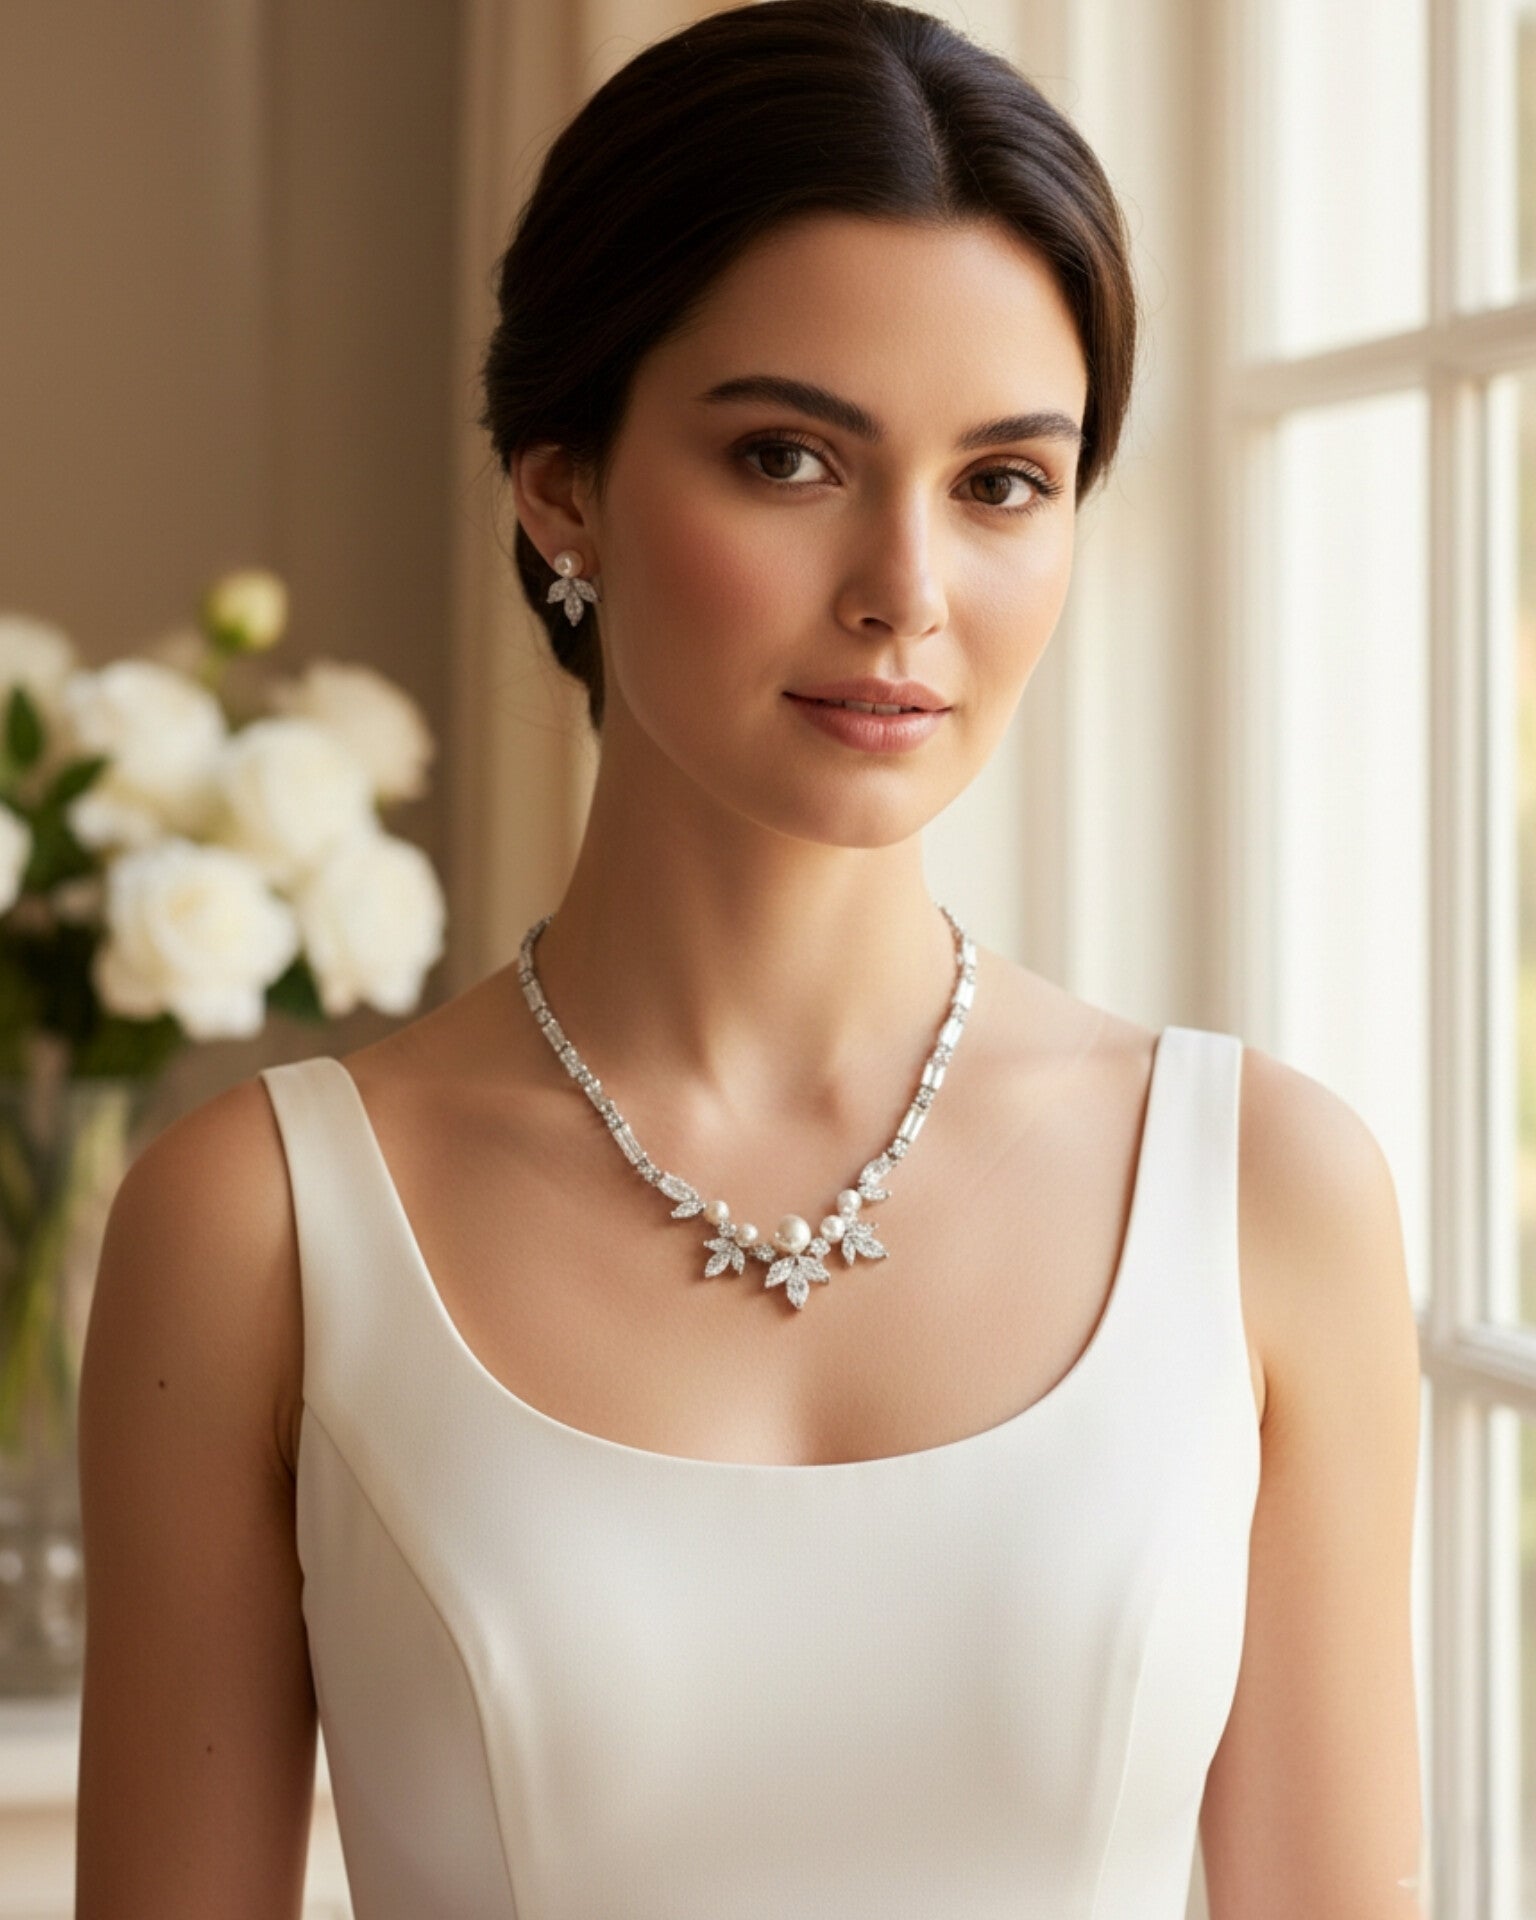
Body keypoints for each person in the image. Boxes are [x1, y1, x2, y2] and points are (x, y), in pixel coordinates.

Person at [73, 2, 1426, 1913]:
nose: (908, 591)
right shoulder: (257, 1226)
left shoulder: (1264, 1194)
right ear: (563, 488)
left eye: (1003, 482)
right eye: (791, 458)